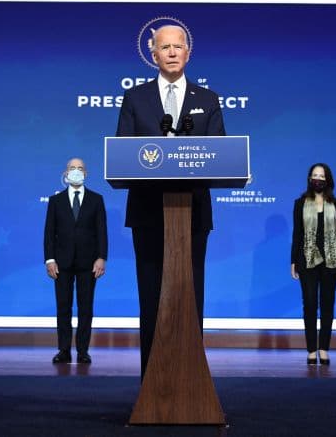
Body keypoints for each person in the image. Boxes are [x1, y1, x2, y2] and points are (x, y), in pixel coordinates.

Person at [115, 24, 226, 376]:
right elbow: (123, 153)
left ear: (188, 52)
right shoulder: (135, 99)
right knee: (152, 298)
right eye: (166, 47)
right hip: (148, 214)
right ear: (154, 54)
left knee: (190, 298)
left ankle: (192, 379)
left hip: (192, 216)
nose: (173, 52)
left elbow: (220, 154)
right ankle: (152, 381)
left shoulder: (207, 99)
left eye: (179, 46)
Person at [43, 157, 108, 364]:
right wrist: (49, 260)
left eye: (80, 168)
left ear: (86, 174)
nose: (76, 171)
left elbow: (101, 232)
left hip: (88, 263)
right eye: (72, 168)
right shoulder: (56, 201)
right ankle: (63, 350)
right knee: (63, 307)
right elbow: (49, 233)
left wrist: (101, 257)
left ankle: (82, 351)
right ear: (66, 173)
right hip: (61, 263)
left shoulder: (96, 199)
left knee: (85, 308)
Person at [291, 163, 336, 365]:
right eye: (315, 175)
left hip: (332, 262)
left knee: (327, 305)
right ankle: (310, 349)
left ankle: (324, 348)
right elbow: (297, 234)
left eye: (322, 176)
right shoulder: (300, 203)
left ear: (328, 180)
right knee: (309, 304)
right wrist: (293, 261)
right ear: (309, 179)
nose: (318, 179)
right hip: (307, 261)